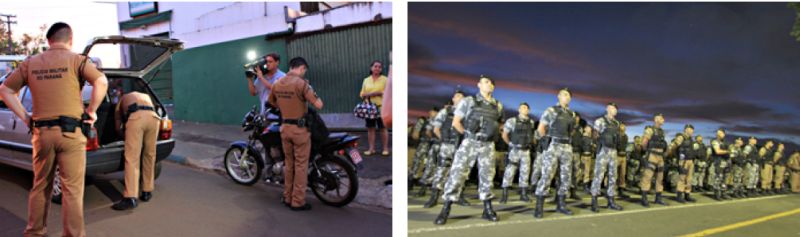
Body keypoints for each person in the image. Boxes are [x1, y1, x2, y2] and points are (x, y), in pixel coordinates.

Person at [0, 22, 108, 237]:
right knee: (72, 191)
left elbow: (5, 89)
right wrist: (93, 111)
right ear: (71, 39)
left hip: (42, 133)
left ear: (48, 41)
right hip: (71, 133)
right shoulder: (77, 60)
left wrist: (26, 117)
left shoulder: (30, 63)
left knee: (41, 186)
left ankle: (34, 232)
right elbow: (101, 81)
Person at [435, 75, 503, 225]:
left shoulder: (498, 105)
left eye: (491, 83)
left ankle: (487, 208)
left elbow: (498, 123)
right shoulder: (469, 101)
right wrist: (468, 136)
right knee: (457, 175)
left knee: (487, 176)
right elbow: (456, 122)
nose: (489, 85)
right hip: (470, 142)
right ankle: (445, 209)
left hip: (488, 145)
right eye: (486, 82)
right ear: (479, 85)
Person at [268, 57, 323, 211]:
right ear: (301, 68)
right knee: (301, 166)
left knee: (289, 164)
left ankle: (287, 197)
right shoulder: (302, 84)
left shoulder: (277, 84)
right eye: (304, 70)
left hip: (284, 129)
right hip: (300, 131)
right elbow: (319, 104)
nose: (304, 73)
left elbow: (271, 102)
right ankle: (297, 201)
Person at [111, 91, 161, 210]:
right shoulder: (145, 96)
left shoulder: (122, 100)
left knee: (132, 158)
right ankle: (147, 191)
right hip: (154, 118)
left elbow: (118, 127)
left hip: (137, 118)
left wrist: (124, 136)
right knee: (149, 155)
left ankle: (130, 198)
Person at [533, 88, 577, 219]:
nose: (567, 97)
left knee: (565, 177)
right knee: (547, 175)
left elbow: (572, 131)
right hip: (554, 145)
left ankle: (561, 204)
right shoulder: (551, 110)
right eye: (564, 94)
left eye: (569, 95)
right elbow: (541, 128)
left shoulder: (571, 114)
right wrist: (547, 142)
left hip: (566, 146)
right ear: (558, 96)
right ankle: (539, 206)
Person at [424, 90, 466, 208]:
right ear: (453, 99)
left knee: (460, 172)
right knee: (441, 171)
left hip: (461, 147)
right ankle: (434, 197)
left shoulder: (468, 112)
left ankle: (459, 196)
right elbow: (436, 129)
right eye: (457, 96)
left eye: (462, 97)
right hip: (447, 145)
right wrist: (445, 141)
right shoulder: (445, 111)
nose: (460, 98)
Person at [589, 103, 624, 212]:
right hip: (603, 150)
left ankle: (611, 201)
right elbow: (594, 135)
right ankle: (594, 201)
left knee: (613, 176)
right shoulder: (600, 121)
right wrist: (598, 144)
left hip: (613, 151)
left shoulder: (617, 123)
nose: (615, 110)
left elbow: (618, 137)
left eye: (616, 109)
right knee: (599, 176)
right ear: (608, 109)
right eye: (613, 108)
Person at [499, 102, 536, 203]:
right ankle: (504, 195)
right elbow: (504, 135)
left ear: (528, 110)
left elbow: (531, 135)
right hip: (515, 149)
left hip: (526, 150)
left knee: (525, 172)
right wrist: (510, 144)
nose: (524, 109)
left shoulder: (531, 122)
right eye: (522, 107)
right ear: (519, 110)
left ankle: (523, 194)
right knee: (509, 172)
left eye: (526, 108)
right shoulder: (512, 121)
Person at [359, 60, 389, 156]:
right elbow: (362, 94)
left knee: (382, 128)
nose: (377, 68)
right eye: (375, 66)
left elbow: (389, 93)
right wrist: (371, 94)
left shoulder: (386, 79)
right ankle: (371, 149)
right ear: (371, 68)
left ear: (381, 69)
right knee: (370, 128)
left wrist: (379, 93)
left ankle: (385, 149)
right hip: (369, 108)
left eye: (379, 67)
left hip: (381, 107)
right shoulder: (366, 80)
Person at [639, 113, 669, 207]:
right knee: (648, 176)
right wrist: (646, 152)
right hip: (652, 155)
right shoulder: (650, 129)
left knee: (660, 177)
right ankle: (644, 198)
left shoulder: (662, 131)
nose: (663, 120)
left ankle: (658, 198)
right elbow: (644, 142)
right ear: (656, 119)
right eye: (661, 118)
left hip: (660, 156)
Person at [675, 125, 696, 203]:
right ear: (685, 129)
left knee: (689, 179)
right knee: (682, 178)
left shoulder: (691, 139)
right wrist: (679, 160)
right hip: (683, 161)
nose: (691, 131)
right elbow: (674, 148)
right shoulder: (681, 137)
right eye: (690, 129)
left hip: (690, 160)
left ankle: (687, 195)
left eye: (692, 130)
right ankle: (679, 196)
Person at [710, 129, 731, 200]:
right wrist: (728, 151)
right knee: (718, 178)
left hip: (726, 162)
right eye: (718, 133)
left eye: (721, 133)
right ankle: (717, 194)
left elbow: (731, 152)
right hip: (719, 162)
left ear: (724, 134)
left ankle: (723, 193)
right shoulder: (715, 141)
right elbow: (717, 151)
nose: (719, 134)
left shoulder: (726, 142)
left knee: (725, 179)